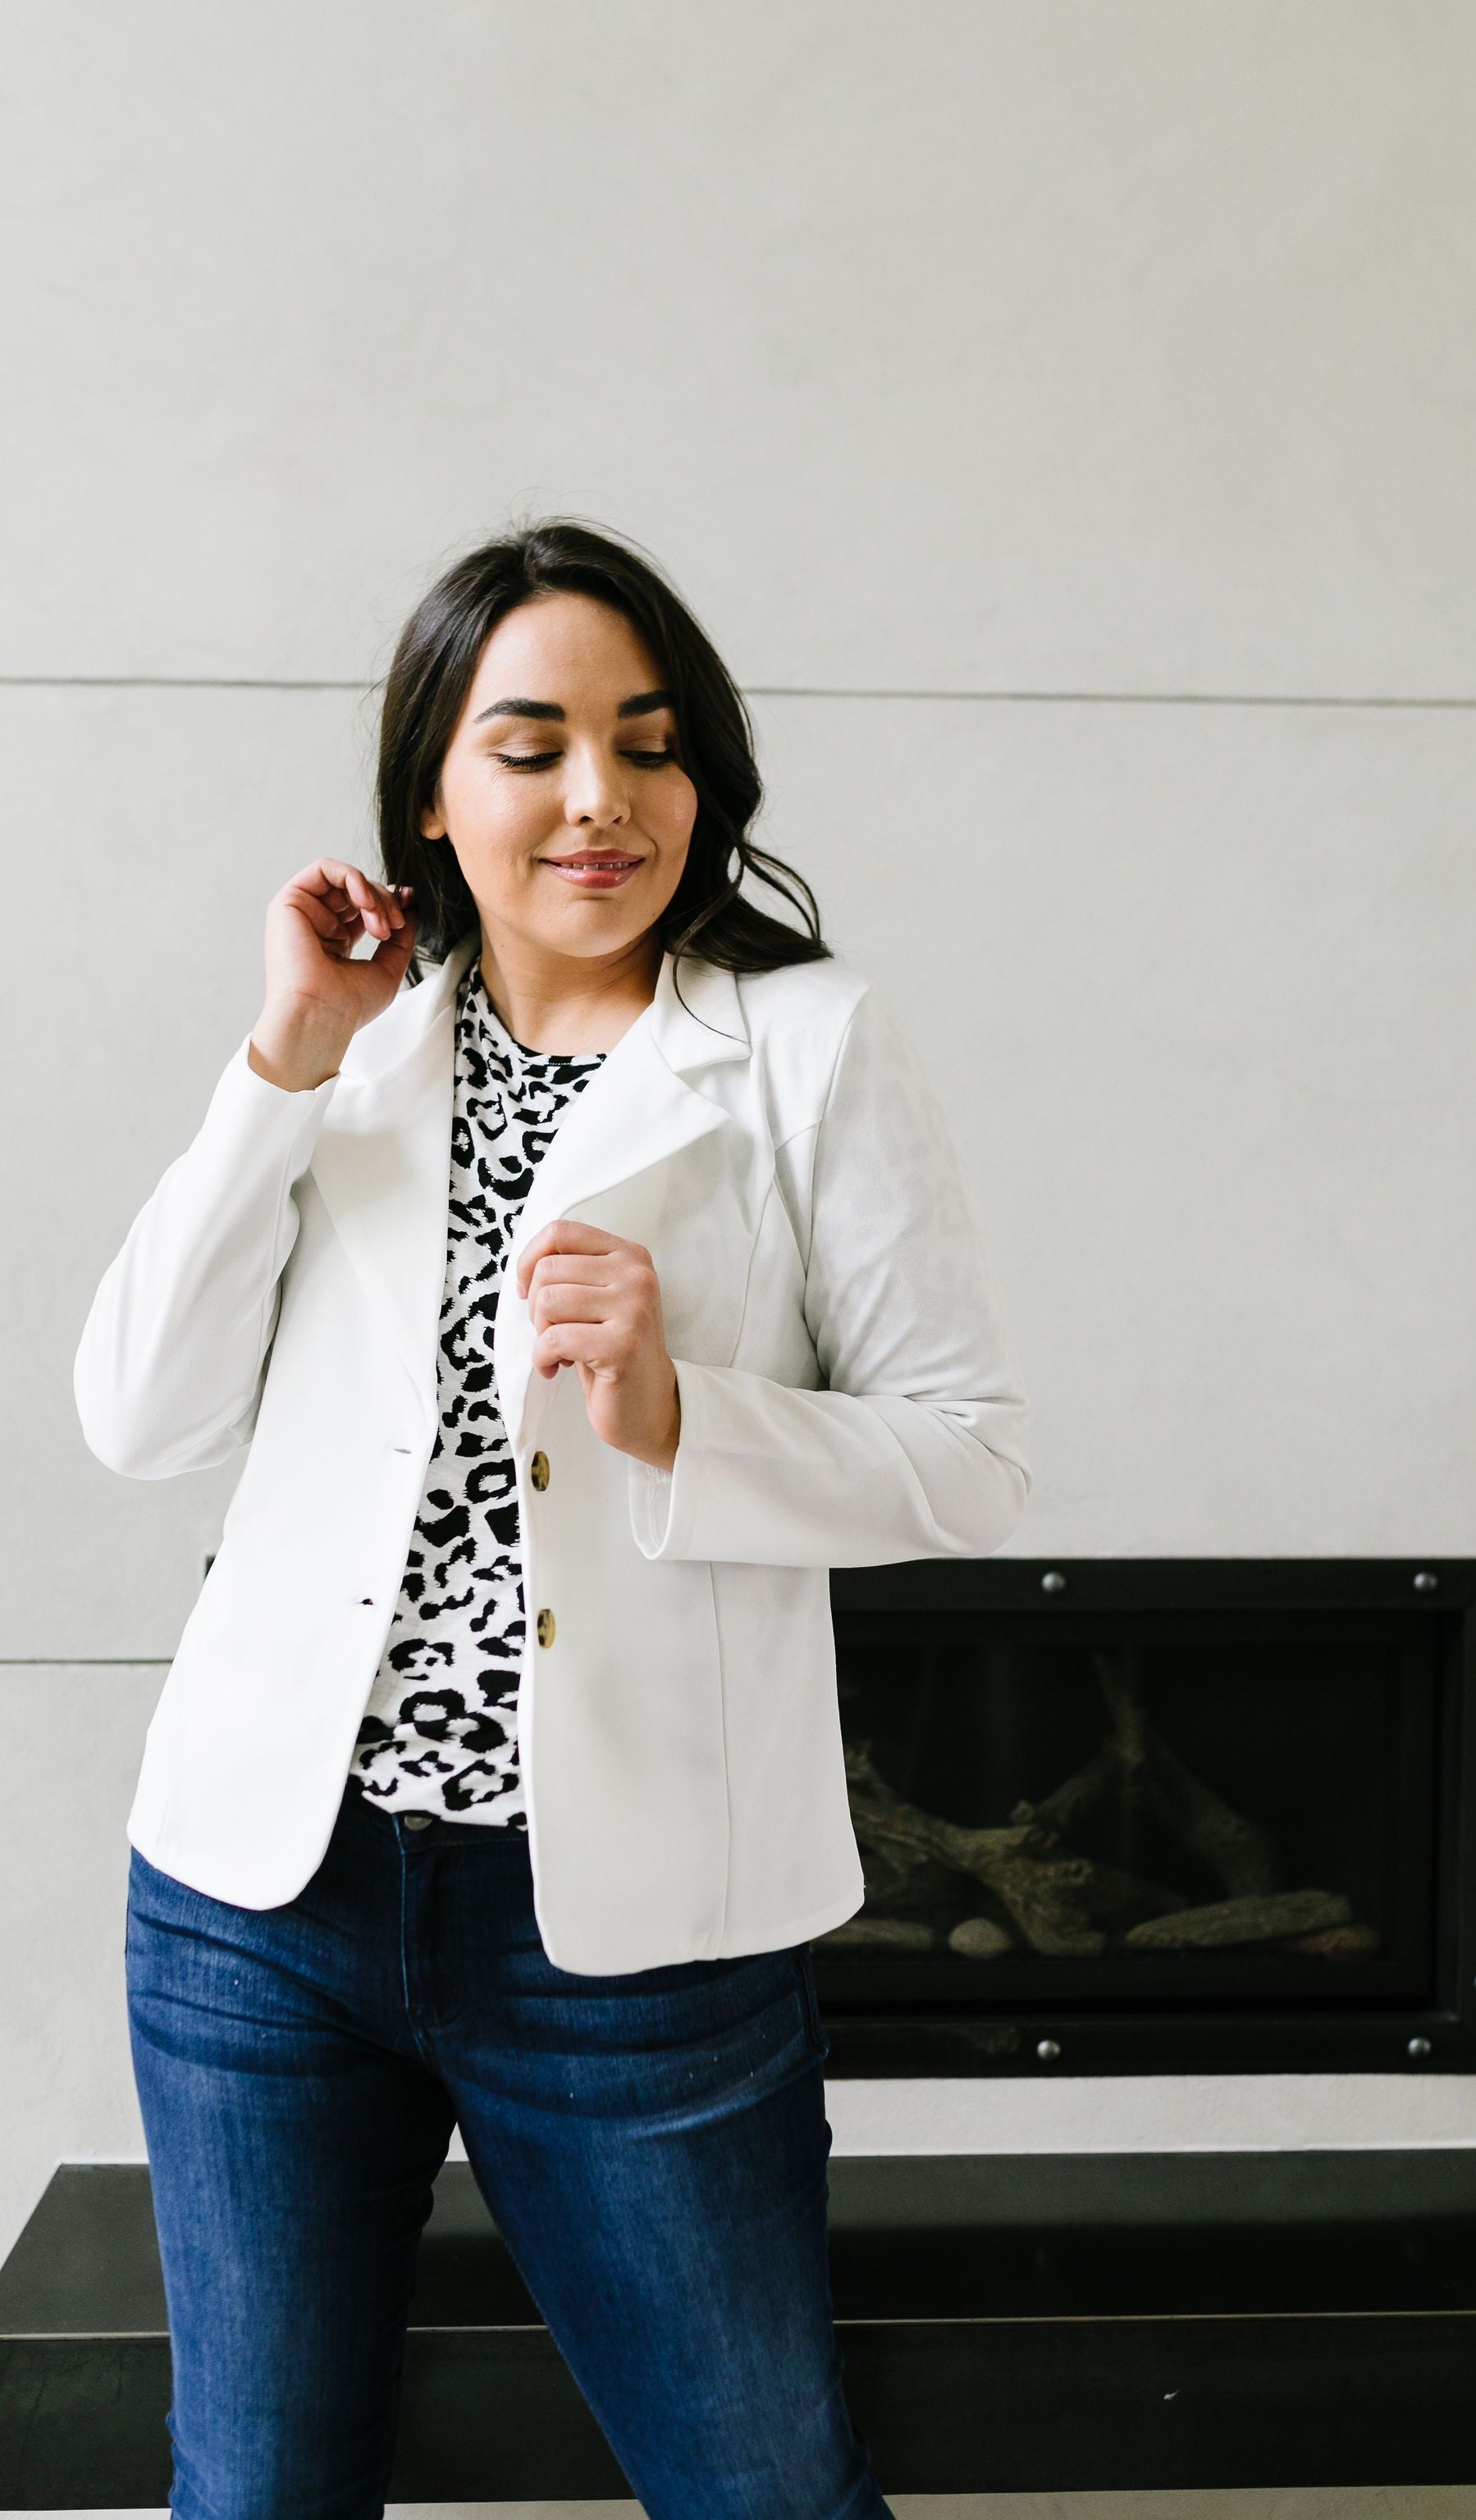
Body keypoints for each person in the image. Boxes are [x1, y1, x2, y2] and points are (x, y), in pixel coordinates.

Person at [75, 517, 1030, 2519]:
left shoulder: (799, 1046)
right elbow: (139, 1416)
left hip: (631, 1940)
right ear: (432, 789)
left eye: (651, 743)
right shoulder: (348, 1045)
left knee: (762, 2494)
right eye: (532, 745)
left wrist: (687, 1412)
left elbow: (966, 1459)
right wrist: (279, 1062)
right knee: (254, 2498)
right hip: (264, 1904)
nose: (601, 798)